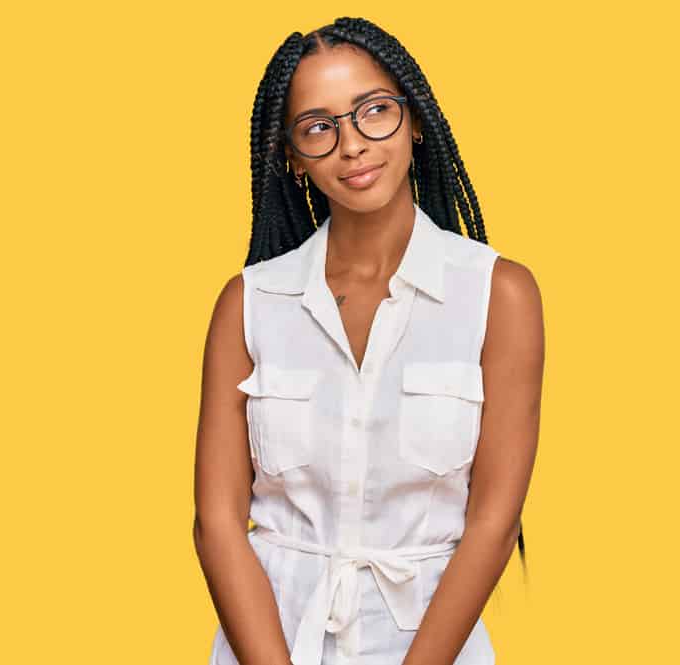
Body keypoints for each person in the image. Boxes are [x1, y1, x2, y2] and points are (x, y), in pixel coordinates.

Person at [194, 16, 543, 665]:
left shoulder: (499, 295)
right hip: (269, 646)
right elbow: (217, 523)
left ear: (413, 119)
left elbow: (494, 523)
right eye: (320, 126)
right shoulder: (249, 303)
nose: (352, 144)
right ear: (291, 154)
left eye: (373, 110)